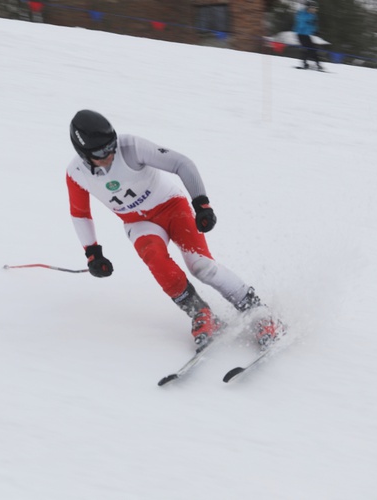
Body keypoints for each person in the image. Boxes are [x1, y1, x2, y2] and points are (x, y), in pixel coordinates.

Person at [65, 109, 284, 352]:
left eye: (111, 146)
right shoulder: (76, 173)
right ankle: (201, 313)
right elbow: (80, 214)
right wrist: (93, 253)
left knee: (201, 266)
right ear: (83, 154)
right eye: (99, 152)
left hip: (172, 206)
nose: (109, 154)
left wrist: (201, 204)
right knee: (156, 260)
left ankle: (258, 311)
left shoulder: (131, 147)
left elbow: (182, 163)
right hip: (139, 223)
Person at [294, 0, 323, 70]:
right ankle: (306, 64)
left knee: (312, 49)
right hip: (300, 34)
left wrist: (316, 31)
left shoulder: (313, 15)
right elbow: (301, 22)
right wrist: (309, 20)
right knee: (308, 48)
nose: (314, 10)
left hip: (306, 34)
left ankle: (317, 64)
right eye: (313, 8)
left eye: (315, 8)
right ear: (308, 8)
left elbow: (314, 25)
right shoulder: (302, 14)